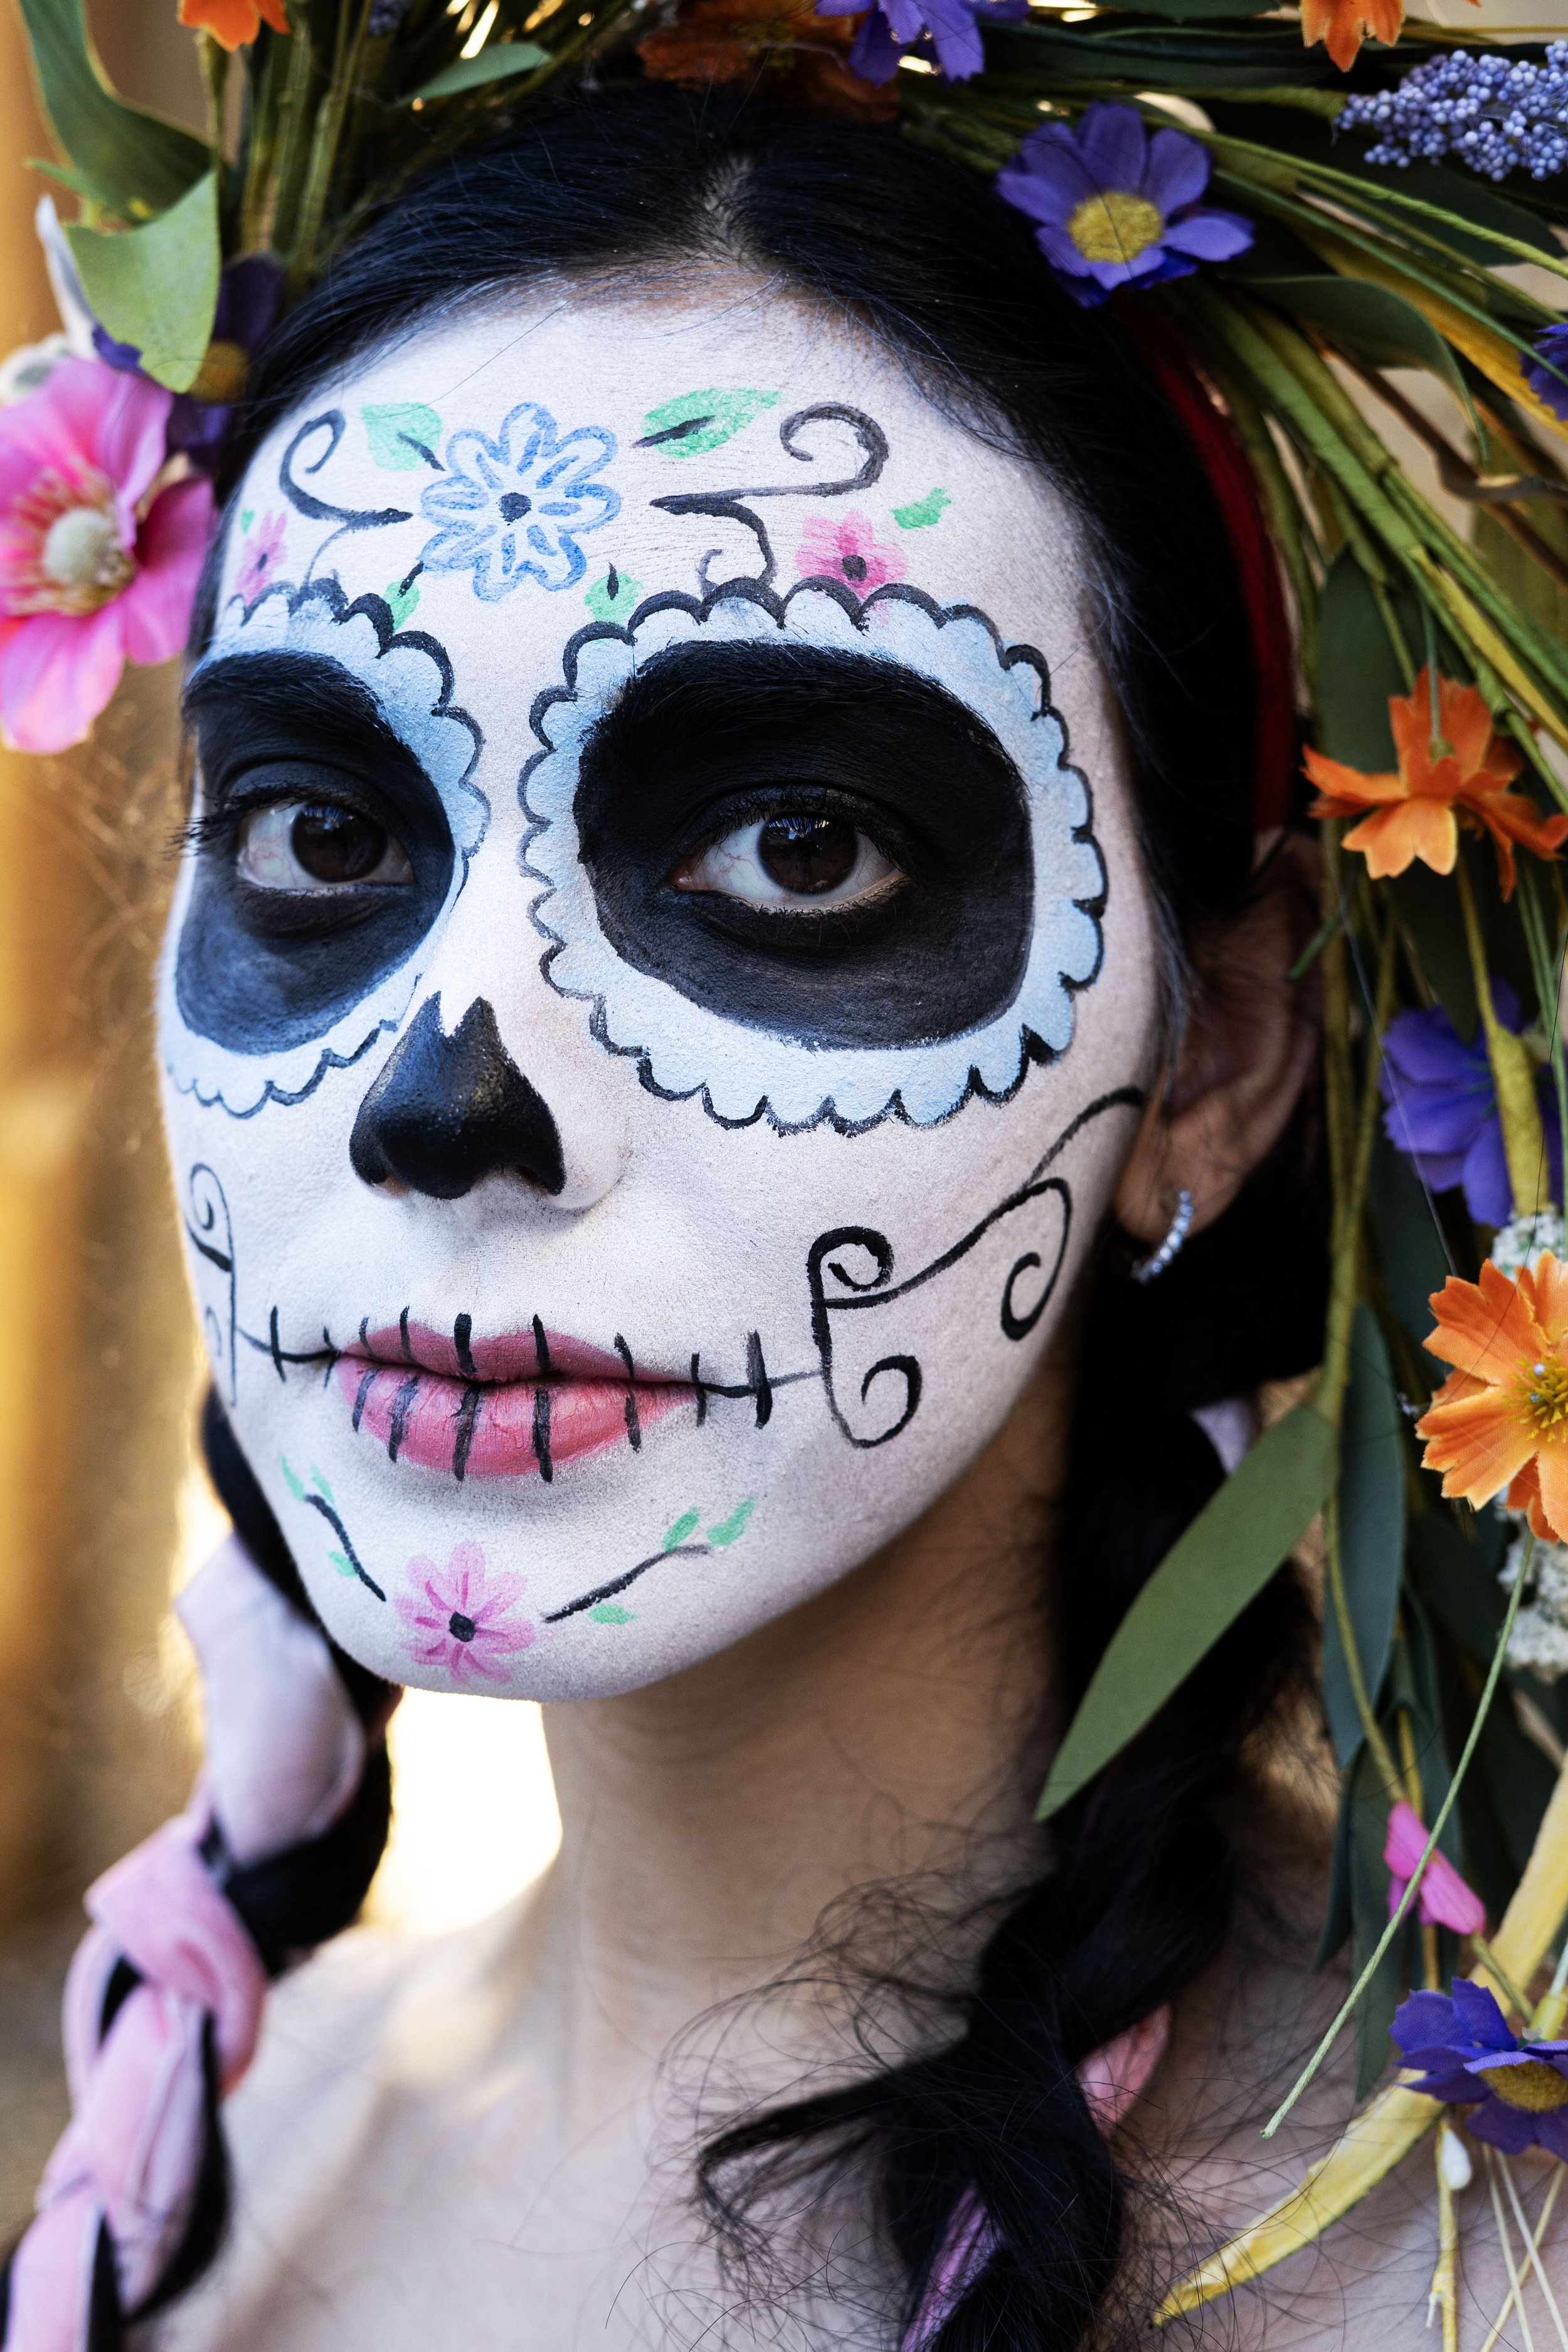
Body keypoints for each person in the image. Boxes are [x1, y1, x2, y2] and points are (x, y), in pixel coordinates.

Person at [6, 72, 1568, 2352]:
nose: (447, 1101)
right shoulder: (243, 2134)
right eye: (323, 834)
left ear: (1214, 1056)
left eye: (795, 848)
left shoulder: (1465, 2280)